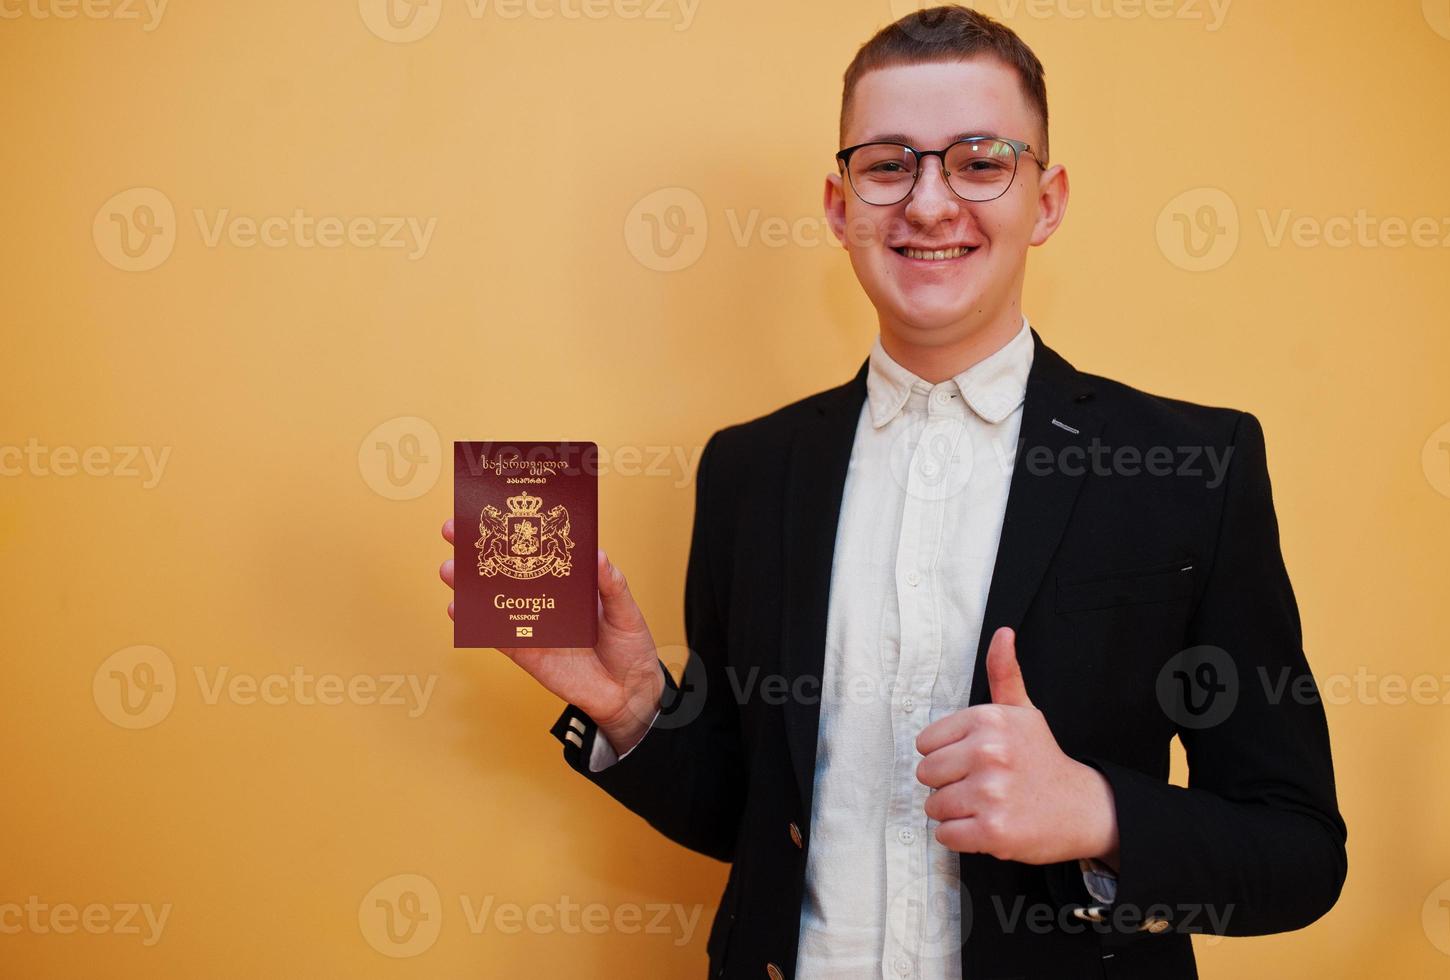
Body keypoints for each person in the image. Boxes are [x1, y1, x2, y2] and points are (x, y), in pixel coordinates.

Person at [439, 7, 1346, 977]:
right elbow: (759, 819)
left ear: (1047, 199)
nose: (927, 202)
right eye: (887, 164)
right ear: (839, 206)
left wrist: (1095, 809)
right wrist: (631, 708)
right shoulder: (748, 468)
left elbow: (1297, 852)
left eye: (981, 159)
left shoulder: (1192, 463)